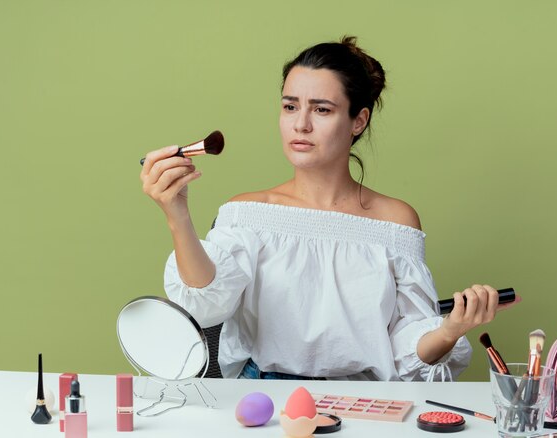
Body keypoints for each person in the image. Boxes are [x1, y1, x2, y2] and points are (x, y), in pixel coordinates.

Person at [140, 36, 513, 381]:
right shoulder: (247, 213)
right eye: (290, 107)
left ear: (358, 120)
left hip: (368, 402)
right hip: (264, 401)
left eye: (321, 109)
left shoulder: (395, 222)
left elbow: (405, 354)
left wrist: (450, 330)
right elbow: (207, 306)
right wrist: (178, 216)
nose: (300, 124)